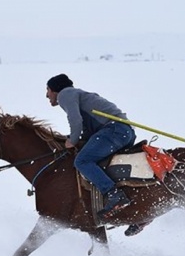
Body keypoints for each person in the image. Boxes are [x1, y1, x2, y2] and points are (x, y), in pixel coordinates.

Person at [46, 73, 136, 219]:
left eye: (48, 90)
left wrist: (72, 141)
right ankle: (135, 211)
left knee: (82, 161)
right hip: (125, 132)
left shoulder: (65, 94)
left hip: (114, 130)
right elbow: (88, 129)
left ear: (55, 90)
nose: (46, 95)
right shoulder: (81, 96)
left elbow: (75, 120)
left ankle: (114, 195)